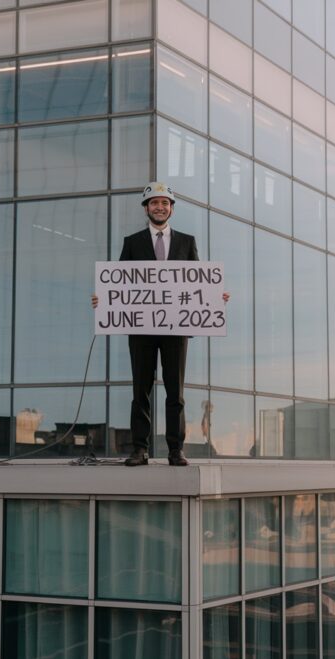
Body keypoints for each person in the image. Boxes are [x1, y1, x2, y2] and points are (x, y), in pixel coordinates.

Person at [92, 182, 228, 466]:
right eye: (154, 202)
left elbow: (198, 283)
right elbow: (119, 284)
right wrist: (104, 301)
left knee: (175, 392)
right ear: (146, 208)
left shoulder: (187, 242)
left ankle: (175, 450)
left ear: (171, 209)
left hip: (176, 330)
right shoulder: (132, 242)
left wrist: (216, 298)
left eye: (165, 203)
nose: (160, 207)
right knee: (140, 389)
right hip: (141, 329)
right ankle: (139, 449)